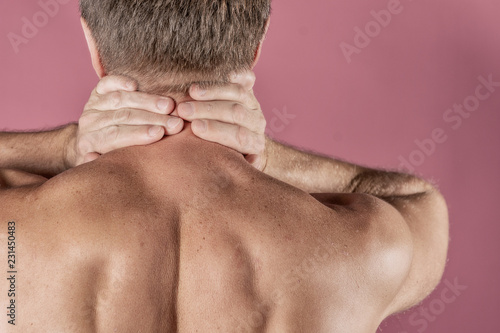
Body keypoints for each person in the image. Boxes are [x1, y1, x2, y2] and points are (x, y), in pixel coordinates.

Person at [0, 0, 449, 332]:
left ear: (93, 46)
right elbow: (421, 202)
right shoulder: (361, 246)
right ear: (256, 47)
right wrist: (267, 156)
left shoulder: (11, 233)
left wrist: (65, 147)